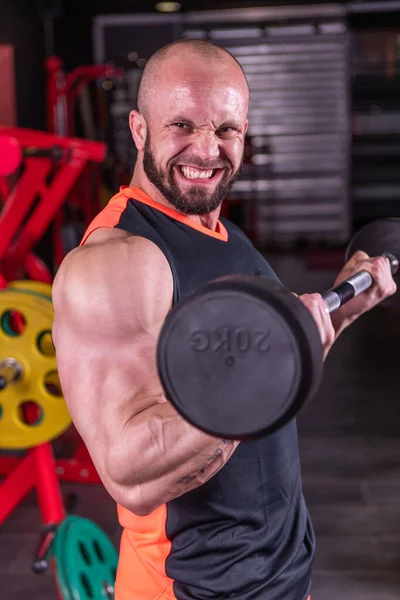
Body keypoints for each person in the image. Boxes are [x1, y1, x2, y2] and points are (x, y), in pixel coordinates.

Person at [52, 39, 396, 600]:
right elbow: (129, 473)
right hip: (190, 588)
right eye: (182, 125)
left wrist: (344, 306)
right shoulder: (116, 262)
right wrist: (263, 375)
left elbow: (272, 372)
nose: (207, 150)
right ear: (139, 130)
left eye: (226, 130)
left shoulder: (222, 234)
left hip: (278, 574)